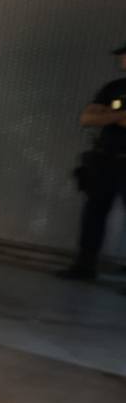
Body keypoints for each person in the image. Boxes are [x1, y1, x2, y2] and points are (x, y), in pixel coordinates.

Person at [58, 42, 126, 280]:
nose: (122, 59)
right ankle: (84, 267)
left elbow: (100, 117)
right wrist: (119, 116)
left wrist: (107, 116)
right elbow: (87, 118)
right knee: (94, 214)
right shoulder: (114, 88)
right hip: (106, 161)